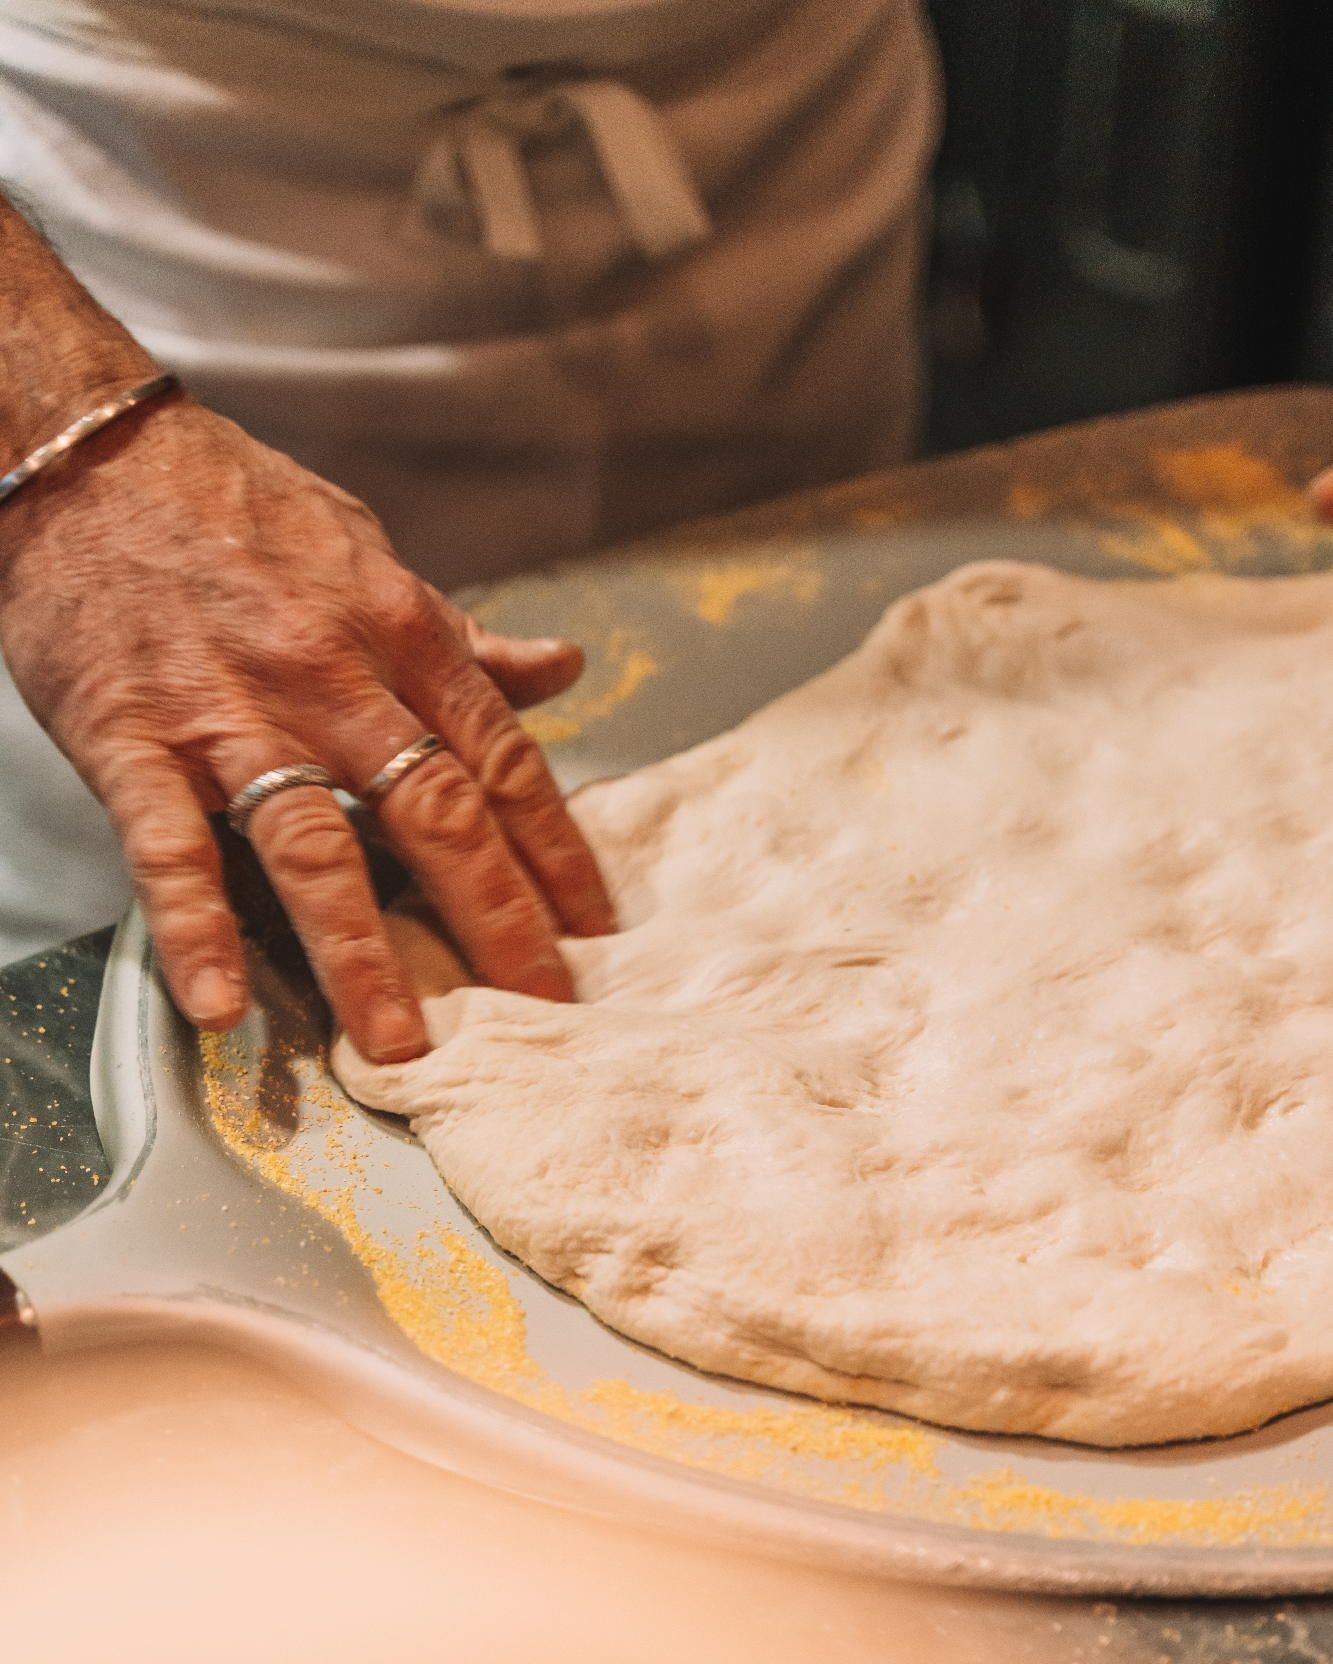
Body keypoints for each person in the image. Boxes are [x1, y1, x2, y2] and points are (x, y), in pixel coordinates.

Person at [0, 0, 940, 1059]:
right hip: (154, 244)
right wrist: (67, 455)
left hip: (780, 148)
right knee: (175, 1014)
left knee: (858, 821)